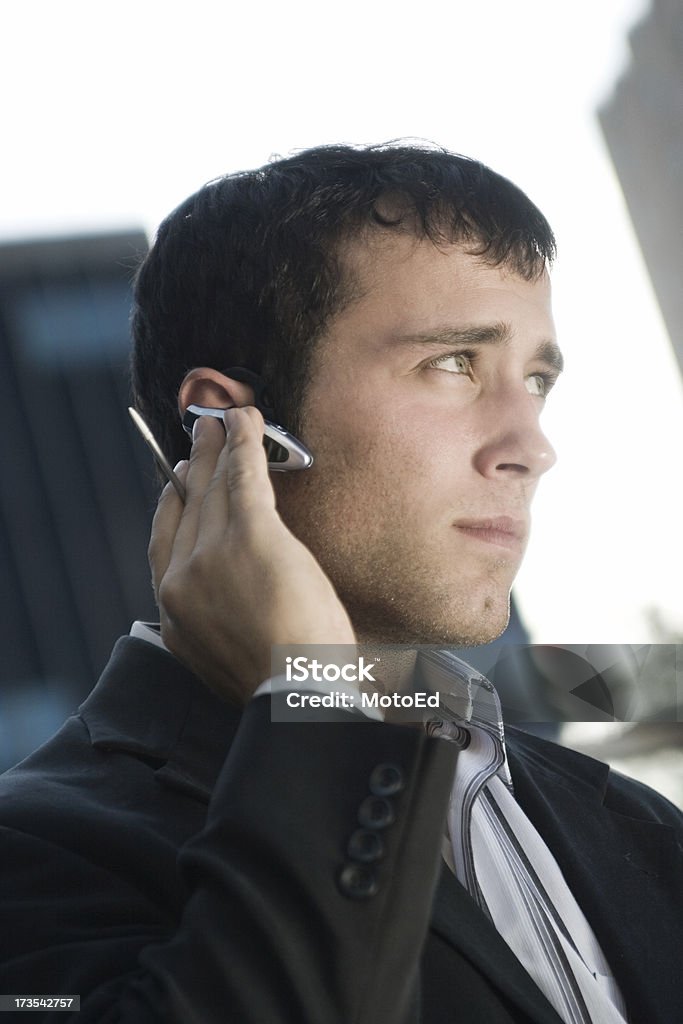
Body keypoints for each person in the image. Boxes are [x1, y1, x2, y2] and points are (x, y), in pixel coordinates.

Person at [0, 144, 680, 1024]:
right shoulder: (32, 849)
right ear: (228, 428)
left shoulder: (634, 823)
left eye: (536, 381)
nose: (530, 446)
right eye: (454, 363)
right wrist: (318, 693)